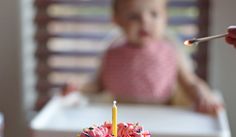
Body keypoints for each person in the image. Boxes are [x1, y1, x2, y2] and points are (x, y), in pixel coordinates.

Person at [87, 0, 223, 115]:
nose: (145, 21)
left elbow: (190, 83)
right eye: (134, 16)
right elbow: (96, 86)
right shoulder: (112, 53)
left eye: (154, 14)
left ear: (165, 18)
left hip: (163, 117)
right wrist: (77, 89)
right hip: (123, 120)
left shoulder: (170, 51)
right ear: (116, 20)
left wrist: (203, 94)